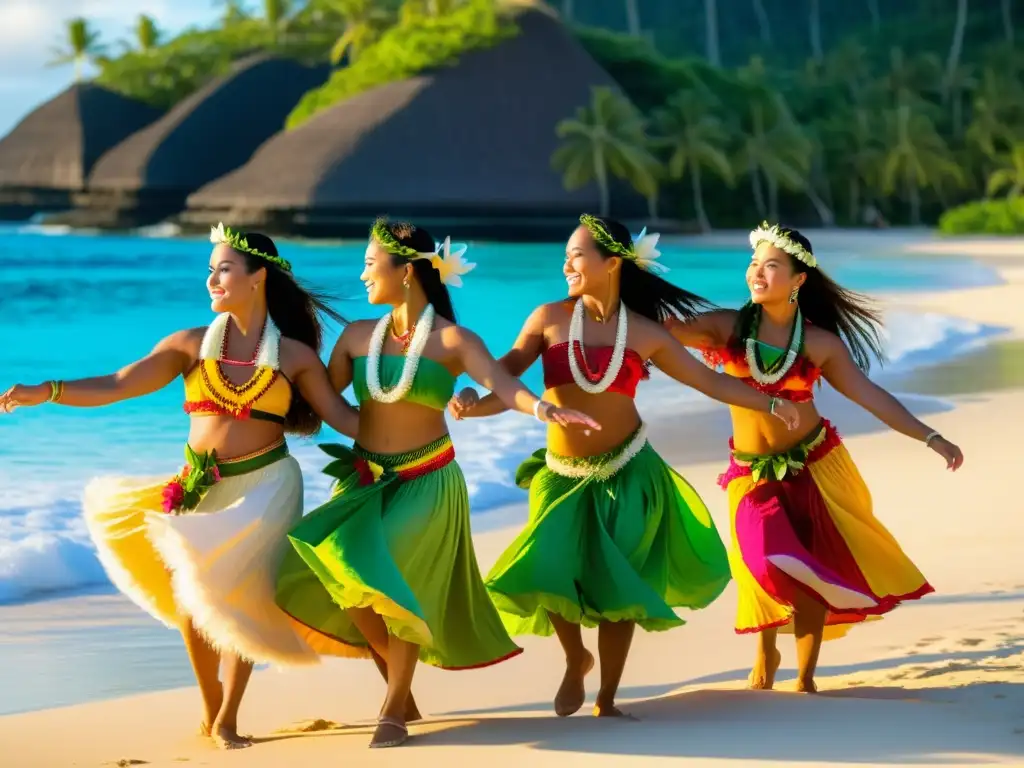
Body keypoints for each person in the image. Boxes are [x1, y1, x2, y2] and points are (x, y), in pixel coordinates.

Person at [0, 225, 361, 749]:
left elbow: (342, 417)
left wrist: (410, 426)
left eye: (224, 269)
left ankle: (228, 718)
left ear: (257, 277)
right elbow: (120, 383)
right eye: (210, 269)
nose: (212, 278)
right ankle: (211, 704)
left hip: (268, 483)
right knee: (194, 592)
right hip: (199, 484)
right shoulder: (190, 345)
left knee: (242, 596)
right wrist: (48, 390)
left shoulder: (295, 357)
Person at [447, 214, 800, 718]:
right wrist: (473, 401)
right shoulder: (547, 318)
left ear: (612, 264)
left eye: (577, 255)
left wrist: (768, 402)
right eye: (566, 255)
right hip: (562, 475)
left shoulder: (646, 333)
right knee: (545, 569)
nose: (566, 263)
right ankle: (576, 657)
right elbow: (504, 377)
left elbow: (711, 381)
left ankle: (607, 700)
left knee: (620, 589)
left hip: (629, 471)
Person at [273, 218, 601, 749]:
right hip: (364, 479)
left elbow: (503, 383)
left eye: (369, 263)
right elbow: (325, 403)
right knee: (346, 578)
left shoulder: (452, 340)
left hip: (427, 480)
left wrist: (542, 408)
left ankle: (392, 709)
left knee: (397, 583)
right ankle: (400, 685)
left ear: (405, 272)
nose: (362, 274)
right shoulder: (357, 338)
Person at [665, 222, 963, 693]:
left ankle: (804, 678)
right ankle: (766, 651)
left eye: (770, 266)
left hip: (814, 465)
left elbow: (871, 395)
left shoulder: (820, 343)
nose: (756, 274)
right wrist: (617, 287)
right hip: (751, 472)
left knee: (809, 566)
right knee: (762, 560)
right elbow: (658, 333)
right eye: (753, 264)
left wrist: (930, 436)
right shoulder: (725, 327)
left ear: (798, 280)